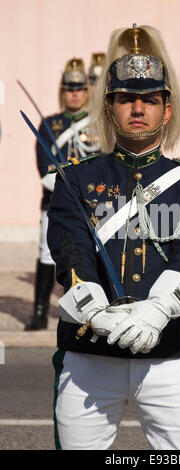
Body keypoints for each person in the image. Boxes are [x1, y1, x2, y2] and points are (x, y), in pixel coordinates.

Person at [47, 25, 180, 450]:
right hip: (90, 356)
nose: (137, 108)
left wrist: (157, 312)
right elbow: (70, 251)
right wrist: (97, 312)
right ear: (109, 108)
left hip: (170, 356)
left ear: (166, 109)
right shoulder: (75, 179)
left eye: (149, 99)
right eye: (126, 98)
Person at [26, 58, 100, 331]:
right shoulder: (49, 124)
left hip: (92, 205)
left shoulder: (98, 124)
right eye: (69, 88)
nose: (74, 93)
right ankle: (40, 312)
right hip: (55, 203)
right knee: (47, 254)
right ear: (62, 90)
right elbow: (46, 171)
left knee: (89, 256)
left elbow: (103, 164)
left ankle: (88, 310)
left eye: (79, 88)